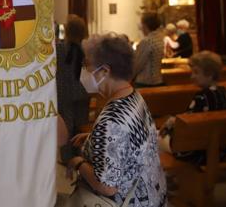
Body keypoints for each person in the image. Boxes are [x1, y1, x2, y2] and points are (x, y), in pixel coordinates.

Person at [65, 33, 167, 207]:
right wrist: (94, 138)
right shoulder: (135, 96)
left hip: (128, 202)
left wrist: (78, 162)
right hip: (153, 194)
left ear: (104, 71)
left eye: (87, 65)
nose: (84, 70)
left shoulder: (111, 122)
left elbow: (107, 186)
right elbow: (127, 139)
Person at [159, 51, 226, 165]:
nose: (192, 76)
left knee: (154, 138)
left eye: (196, 72)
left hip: (197, 151)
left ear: (210, 74)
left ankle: (165, 173)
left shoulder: (202, 97)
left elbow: (187, 124)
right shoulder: (224, 92)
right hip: (221, 150)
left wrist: (170, 125)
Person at [56, 14, 90, 141]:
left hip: (63, 92)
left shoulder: (59, 49)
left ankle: (67, 156)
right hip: (82, 92)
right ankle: (81, 152)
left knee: (66, 126)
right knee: (81, 124)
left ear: (67, 31)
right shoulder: (87, 49)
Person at [133, 12, 165, 87]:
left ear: (145, 25)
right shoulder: (159, 39)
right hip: (158, 80)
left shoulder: (147, 41)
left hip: (145, 82)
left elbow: (137, 65)